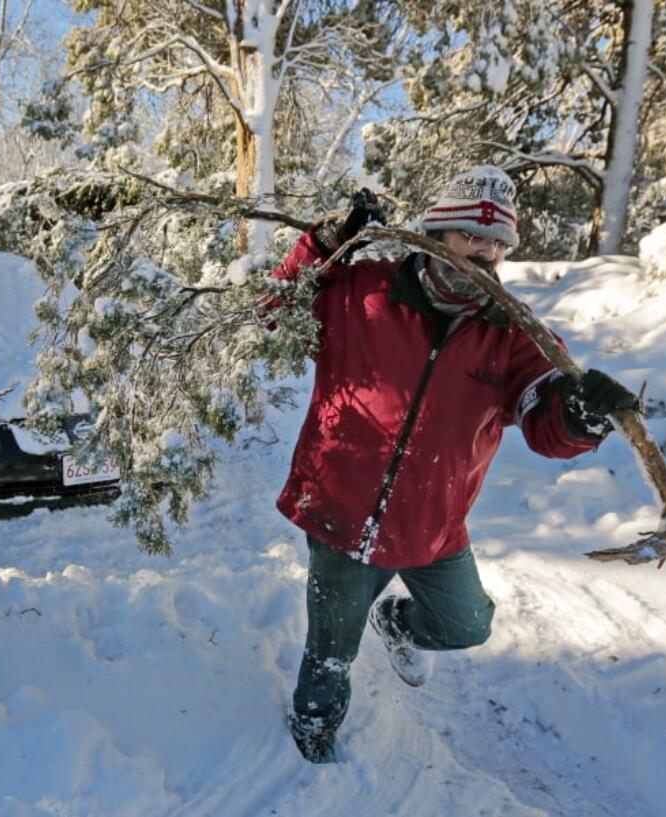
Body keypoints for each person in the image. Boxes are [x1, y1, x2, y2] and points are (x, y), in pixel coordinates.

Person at [271, 165, 639, 764]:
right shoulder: (361, 292)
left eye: (498, 242)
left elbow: (546, 425)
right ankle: (313, 735)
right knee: (330, 651)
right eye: (473, 236)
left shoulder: (515, 333)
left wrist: (580, 418)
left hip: (432, 525)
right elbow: (274, 309)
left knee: (467, 624)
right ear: (437, 233)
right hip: (339, 511)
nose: (487, 252)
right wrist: (324, 245)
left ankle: (397, 623)